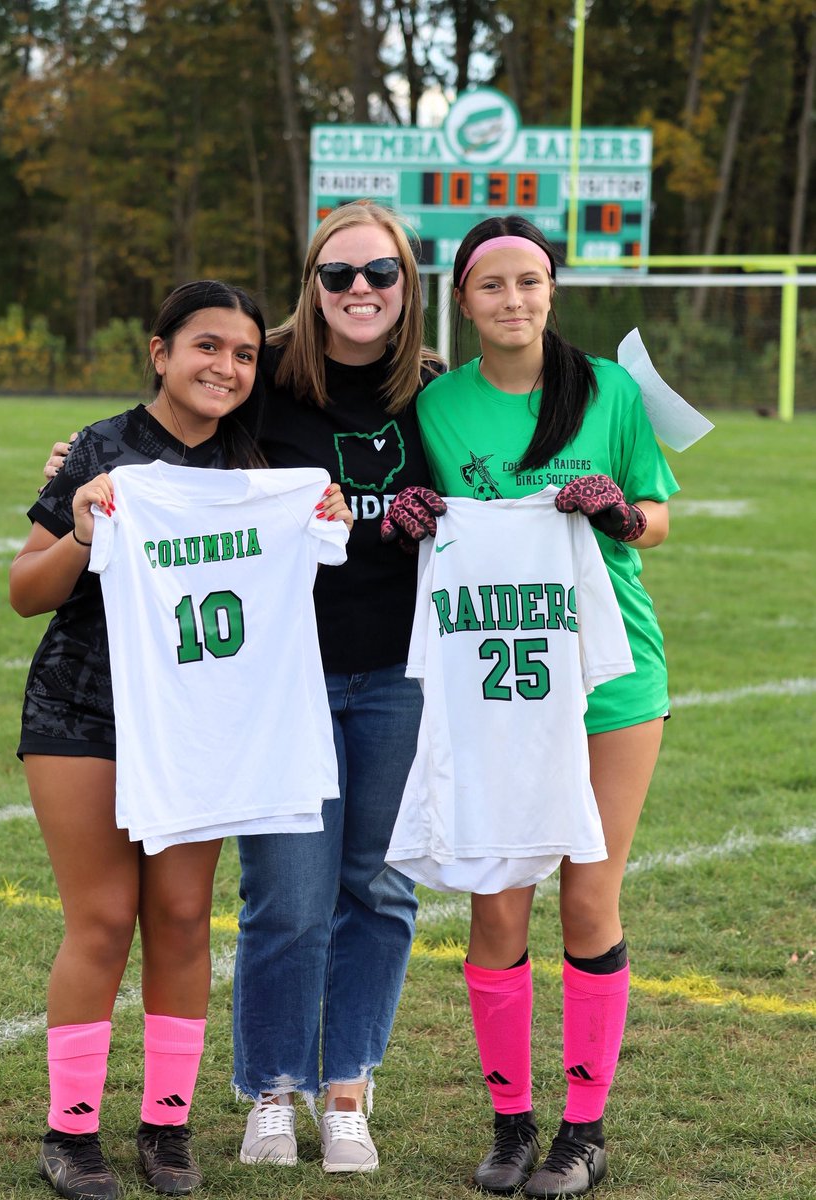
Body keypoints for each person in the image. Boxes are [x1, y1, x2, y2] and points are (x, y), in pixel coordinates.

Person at [41, 200, 445, 1175]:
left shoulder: (439, 393)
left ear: (407, 287)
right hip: (276, 678)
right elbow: (175, 421)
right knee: (288, 897)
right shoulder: (264, 382)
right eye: (338, 274)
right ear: (311, 285)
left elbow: (515, 449)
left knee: (380, 890)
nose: (359, 290)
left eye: (379, 274)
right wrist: (86, 475)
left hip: (400, 670)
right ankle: (272, 1084)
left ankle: (347, 1084)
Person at [11, 278, 352, 1200]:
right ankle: (71, 1135)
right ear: (160, 352)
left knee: (179, 919)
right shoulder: (102, 449)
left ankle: (167, 1128)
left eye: (244, 354)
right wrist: (82, 527)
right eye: (206, 346)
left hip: (203, 722)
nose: (227, 367)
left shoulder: (260, 461)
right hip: (84, 713)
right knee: (104, 917)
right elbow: (24, 590)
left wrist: (319, 516)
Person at [381, 214, 678, 1198]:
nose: (514, 298)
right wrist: (412, 515)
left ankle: (583, 1131)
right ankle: (511, 1124)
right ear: (461, 300)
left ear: (553, 290)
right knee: (497, 899)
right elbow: (416, 521)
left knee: (590, 897)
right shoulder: (436, 408)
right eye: (493, 284)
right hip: (492, 678)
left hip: (612, 673)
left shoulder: (611, 391)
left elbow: (658, 516)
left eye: (531, 281)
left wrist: (619, 513)